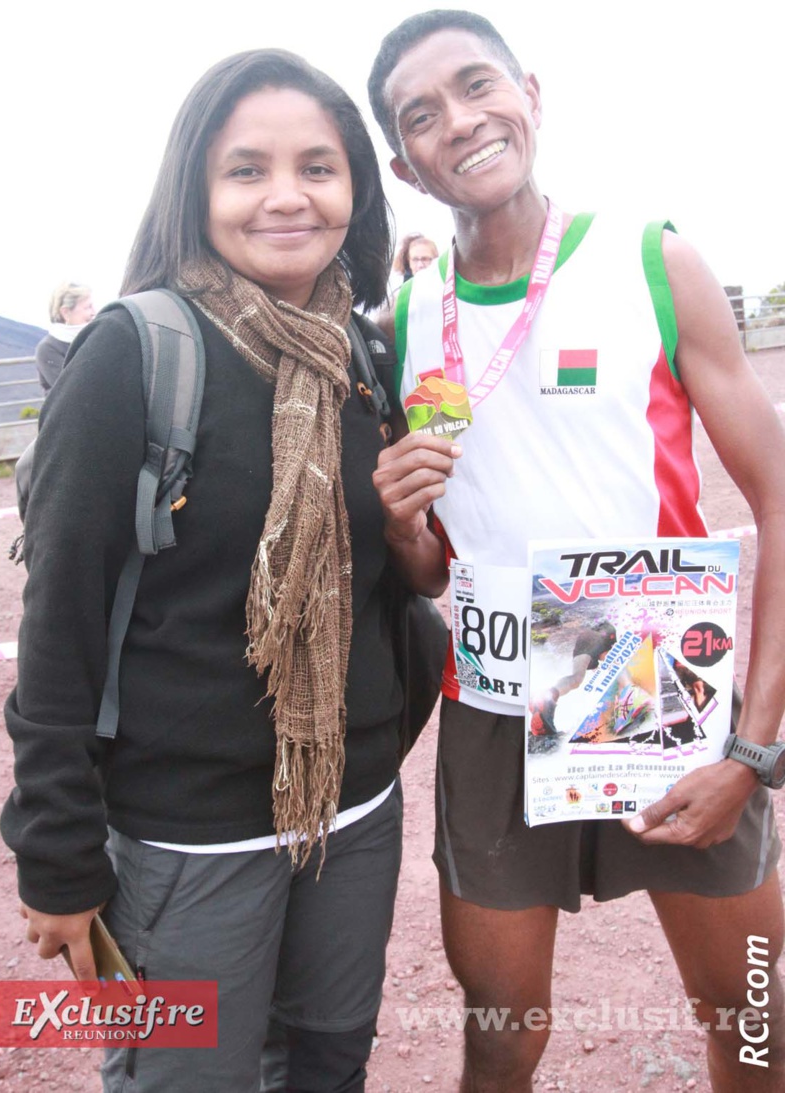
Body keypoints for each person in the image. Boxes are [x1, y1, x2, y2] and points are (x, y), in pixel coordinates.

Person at [367, 9, 785, 1091]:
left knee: (749, 1012)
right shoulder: (404, 319)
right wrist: (403, 525)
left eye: (477, 85)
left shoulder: (653, 259)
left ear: (532, 96)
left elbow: (781, 495)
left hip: (662, 691)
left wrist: (752, 747)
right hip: (497, 704)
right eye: (422, 115)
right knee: (501, 1033)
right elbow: (432, 568)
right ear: (405, 165)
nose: (461, 121)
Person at [1, 49, 402, 1093]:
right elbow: (59, 620)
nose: (287, 195)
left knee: (328, 1064)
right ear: (196, 189)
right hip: (185, 839)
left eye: (318, 167)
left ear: (355, 188)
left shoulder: (363, 356)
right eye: (246, 170)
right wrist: (55, 852)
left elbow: (390, 584)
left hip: (353, 815)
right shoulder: (131, 354)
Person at [34, 281, 95, 393]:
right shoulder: (48, 348)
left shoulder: (94, 338)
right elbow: (69, 390)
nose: (94, 312)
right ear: (66, 312)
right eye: (88, 307)